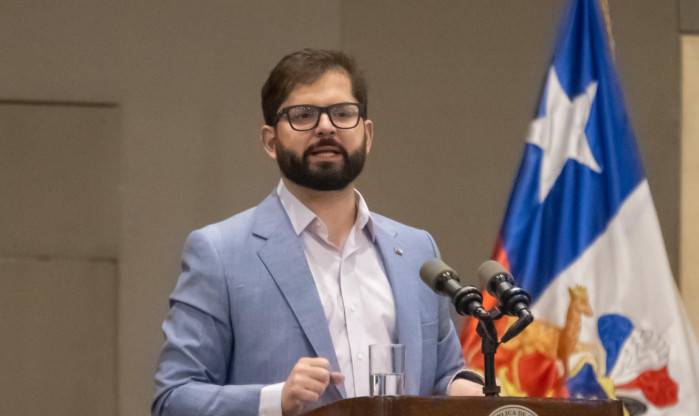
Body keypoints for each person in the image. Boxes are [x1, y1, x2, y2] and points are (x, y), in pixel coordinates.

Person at [152, 48, 483, 416]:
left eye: (343, 113)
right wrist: (275, 400)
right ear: (270, 141)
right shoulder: (220, 252)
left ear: (367, 135)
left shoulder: (417, 250)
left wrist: (462, 387)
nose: (326, 127)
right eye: (303, 115)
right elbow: (174, 399)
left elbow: (443, 374)